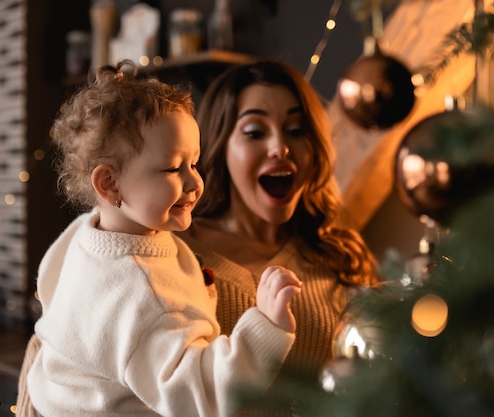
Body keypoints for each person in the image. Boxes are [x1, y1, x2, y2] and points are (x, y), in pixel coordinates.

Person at [23, 59, 302, 417]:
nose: (194, 182)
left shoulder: (84, 231)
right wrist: (265, 326)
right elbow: (203, 395)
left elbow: (49, 283)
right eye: (173, 168)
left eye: (194, 163)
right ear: (110, 184)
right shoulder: (145, 295)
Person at [176, 59, 381, 415]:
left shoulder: (343, 258)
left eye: (297, 130)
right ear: (220, 147)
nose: (280, 148)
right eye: (255, 132)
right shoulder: (171, 254)